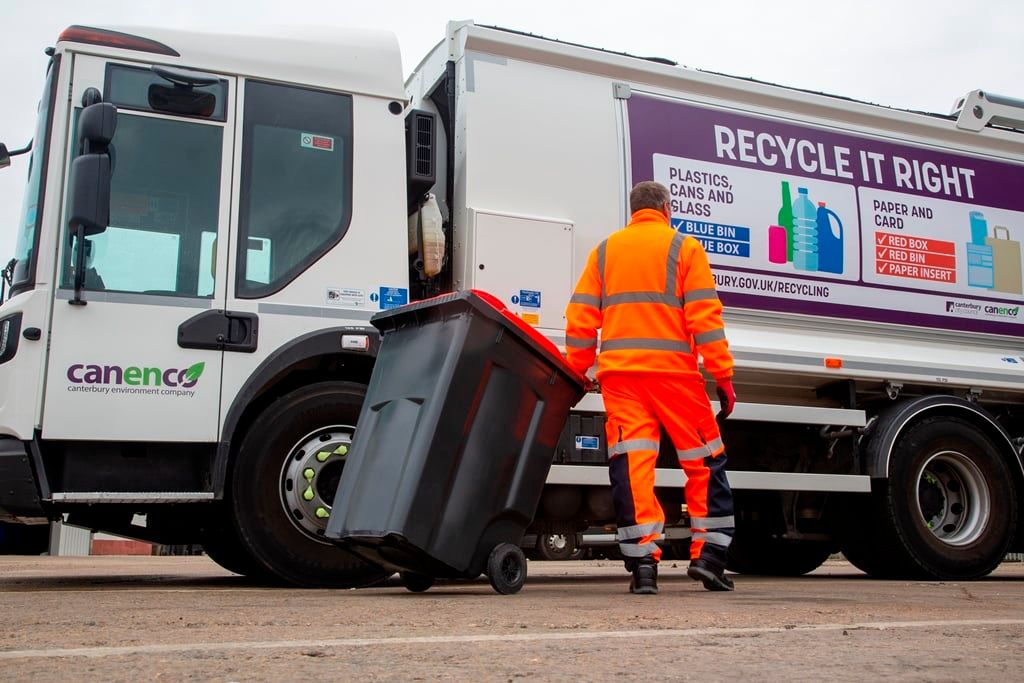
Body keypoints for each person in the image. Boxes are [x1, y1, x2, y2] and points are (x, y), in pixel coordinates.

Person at [564, 181, 737, 594]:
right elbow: (705, 320)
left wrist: (578, 369)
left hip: (622, 379)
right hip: (674, 377)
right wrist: (723, 377)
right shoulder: (685, 249)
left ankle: (643, 568)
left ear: (633, 210)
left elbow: (581, 317)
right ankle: (709, 559)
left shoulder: (605, 252)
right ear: (666, 207)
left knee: (633, 467)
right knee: (703, 462)